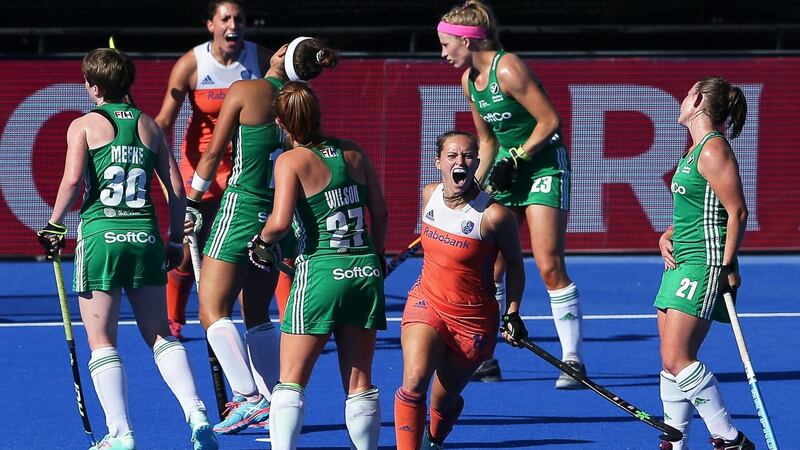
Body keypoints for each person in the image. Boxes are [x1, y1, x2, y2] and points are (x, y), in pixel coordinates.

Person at [36, 48, 217, 450]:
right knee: (159, 336)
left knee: (102, 340)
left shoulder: (83, 125)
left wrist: (53, 224)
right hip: (144, 236)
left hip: (102, 236)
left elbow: (71, 182)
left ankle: (120, 434)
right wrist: (172, 239)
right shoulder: (150, 125)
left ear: (94, 87)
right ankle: (196, 410)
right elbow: (175, 188)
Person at [189, 36, 337, 434]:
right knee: (257, 314)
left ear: (281, 56)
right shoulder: (300, 104)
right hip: (278, 216)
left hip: (241, 209)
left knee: (211, 310)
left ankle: (249, 397)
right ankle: (275, 399)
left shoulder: (246, 89)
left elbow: (212, 153)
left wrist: (191, 201)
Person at [437, 0, 585, 388]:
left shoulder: (508, 66)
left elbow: (550, 121)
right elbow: (486, 143)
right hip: (507, 166)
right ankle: (486, 355)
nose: (443, 53)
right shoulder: (469, 81)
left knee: (548, 262)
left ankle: (571, 359)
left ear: (467, 40)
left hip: (542, 164)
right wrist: (471, 185)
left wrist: (518, 156)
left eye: (446, 44)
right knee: (493, 265)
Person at [249, 79, 388, 450]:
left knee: (291, 380)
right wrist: (378, 255)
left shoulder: (290, 161)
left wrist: (260, 242)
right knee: (360, 383)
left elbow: (279, 223)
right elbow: (381, 211)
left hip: (321, 273)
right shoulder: (355, 153)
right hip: (364, 271)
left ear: (280, 123)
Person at [393, 131, 528, 449]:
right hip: (427, 302)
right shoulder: (429, 195)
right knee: (413, 384)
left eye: (467, 156)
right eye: (452, 155)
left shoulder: (494, 216)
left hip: (473, 320)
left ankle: (435, 437)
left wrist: (513, 312)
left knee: (443, 401)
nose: (460, 162)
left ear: (477, 163)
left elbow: (516, 265)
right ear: (438, 161)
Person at [155, 0, 271, 341]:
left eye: (239, 18)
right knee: (188, 252)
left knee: (248, 250)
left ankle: (269, 324)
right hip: (201, 167)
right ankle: (173, 319)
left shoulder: (261, 59)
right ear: (211, 25)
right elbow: (164, 122)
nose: (233, 24)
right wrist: (163, 169)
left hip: (244, 172)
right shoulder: (192, 64)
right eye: (225, 18)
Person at [655, 77, 753, 450]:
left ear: (697, 100)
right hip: (681, 262)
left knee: (678, 357)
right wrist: (669, 234)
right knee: (670, 362)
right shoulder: (694, 151)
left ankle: (729, 438)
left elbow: (737, 211)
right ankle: (676, 442)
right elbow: (699, 209)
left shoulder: (713, 150)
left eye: (685, 93)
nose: (681, 100)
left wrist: (728, 267)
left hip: (705, 263)